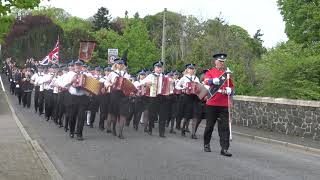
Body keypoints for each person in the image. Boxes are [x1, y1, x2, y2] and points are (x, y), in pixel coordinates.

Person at [203, 53, 234, 157]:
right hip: (212, 103)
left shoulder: (227, 74)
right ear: (215, 61)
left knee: (224, 127)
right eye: (220, 61)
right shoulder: (210, 72)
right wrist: (212, 80)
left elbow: (232, 88)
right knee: (209, 126)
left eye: (223, 62)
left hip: (224, 103)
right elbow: (206, 81)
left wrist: (231, 91)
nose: (221, 63)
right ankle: (206, 143)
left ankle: (224, 148)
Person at [105, 59, 131, 139]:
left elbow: (129, 83)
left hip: (124, 95)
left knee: (123, 114)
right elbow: (106, 82)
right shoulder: (112, 73)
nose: (120, 65)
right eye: (119, 64)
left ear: (123, 65)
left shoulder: (126, 74)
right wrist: (110, 84)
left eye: (121, 64)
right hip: (115, 94)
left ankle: (120, 133)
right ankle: (113, 128)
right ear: (116, 65)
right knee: (114, 113)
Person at [175, 64, 202, 139]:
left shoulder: (196, 78)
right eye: (190, 69)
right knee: (187, 115)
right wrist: (183, 88)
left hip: (195, 98)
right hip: (187, 97)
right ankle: (183, 128)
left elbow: (199, 86)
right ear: (187, 70)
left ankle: (193, 133)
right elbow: (177, 86)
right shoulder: (184, 78)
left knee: (195, 115)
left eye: (193, 69)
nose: (191, 70)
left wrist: (199, 88)